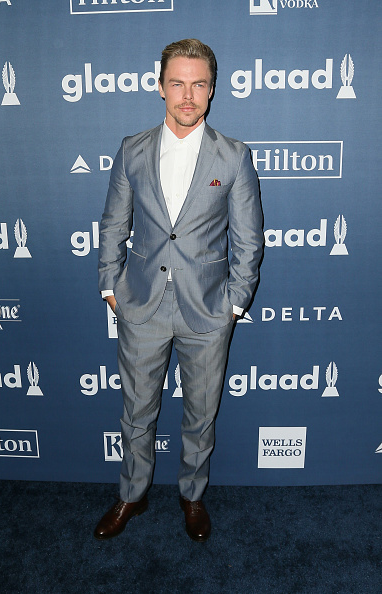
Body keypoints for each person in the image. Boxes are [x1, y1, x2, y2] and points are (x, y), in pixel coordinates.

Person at [95, 39, 263, 542]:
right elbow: (112, 225)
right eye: (177, 83)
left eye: (198, 85)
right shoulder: (132, 149)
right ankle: (132, 494)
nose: (187, 96)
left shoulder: (233, 157)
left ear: (212, 90)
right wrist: (111, 284)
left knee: (200, 413)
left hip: (207, 312)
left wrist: (234, 302)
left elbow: (249, 240)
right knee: (137, 412)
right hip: (141, 306)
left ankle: (191, 495)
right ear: (160, 85)